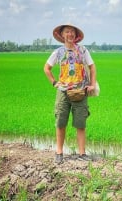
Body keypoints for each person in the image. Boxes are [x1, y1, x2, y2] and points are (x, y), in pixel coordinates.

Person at [44, 23, 96, 164]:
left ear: (76, 35)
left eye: (72, 32)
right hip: (63, 92)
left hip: (80, 91)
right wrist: (55, 83)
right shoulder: (58, 52)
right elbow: (47, 68)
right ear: (62, 35)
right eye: (67, 32)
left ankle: (82, 153)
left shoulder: (83, 51)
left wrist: (91, 84)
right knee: (61, 121)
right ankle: (59, 152)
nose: (70, 34)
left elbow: (92, 67)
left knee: (80, 123)